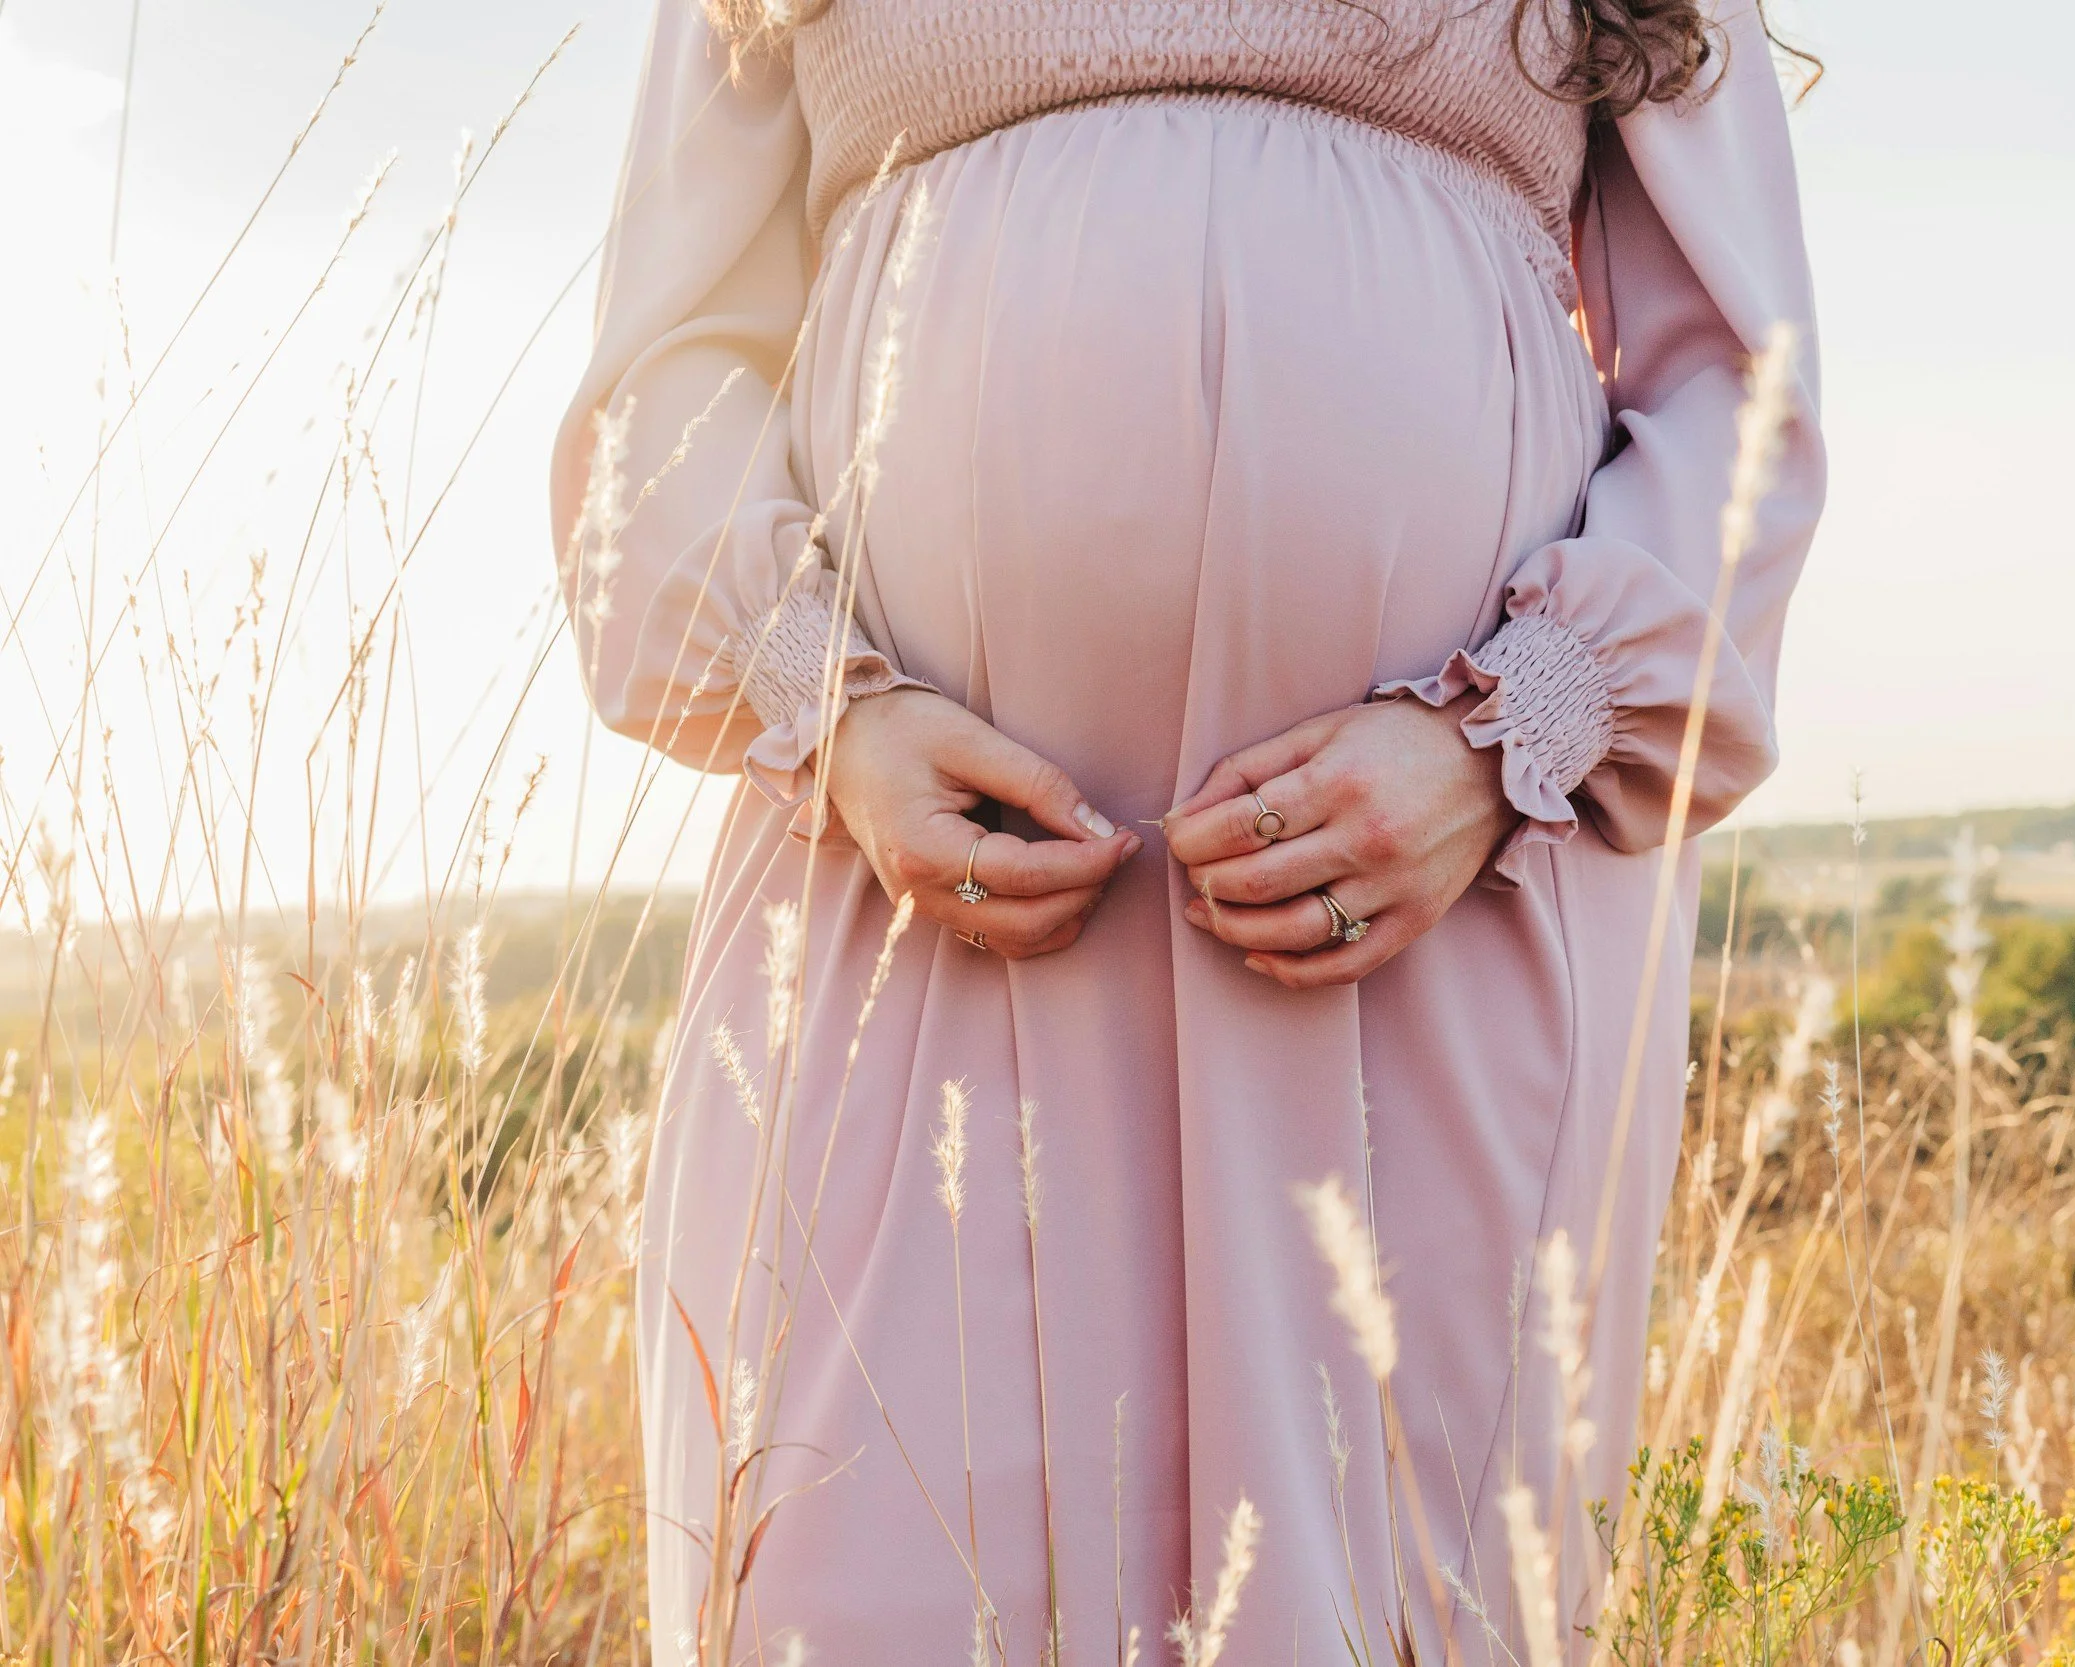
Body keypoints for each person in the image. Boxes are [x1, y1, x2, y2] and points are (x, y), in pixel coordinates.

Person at [550, 0, 1821, 1656]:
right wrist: (834, 710)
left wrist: (1505, 728)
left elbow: (1741, 386)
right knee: (860, 1580)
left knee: (1405, 1598)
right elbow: (665, 376)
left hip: (1442, 902)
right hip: (900, 906)